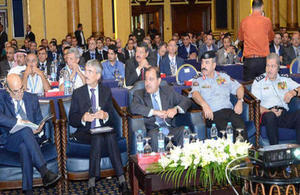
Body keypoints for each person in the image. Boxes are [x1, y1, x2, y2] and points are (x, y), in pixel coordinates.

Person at [68, 60, 130, 195]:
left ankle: (115, 181)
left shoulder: (105, 91)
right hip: (85, 133)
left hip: (103, 130)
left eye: (90, 71)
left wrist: (105, 115)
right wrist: (83, 118)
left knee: (109, 135)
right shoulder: (78, 93)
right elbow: (71, 119)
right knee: (100, 137)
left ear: (98, 76)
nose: (86, 74)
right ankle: (116, 180)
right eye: (85, 71)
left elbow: (113, 119)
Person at [0, 74, 60, 195]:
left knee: (24, 146)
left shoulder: (31, 98)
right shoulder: (2, 98)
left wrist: (39, 129)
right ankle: (44, 171)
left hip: (31, 140)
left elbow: (38, 120)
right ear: (8, 89)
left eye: (22, 88)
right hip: (11, 142)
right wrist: (20, 122)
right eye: (16, 91)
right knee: (25, 129)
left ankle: (28, 191)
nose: (20, 93)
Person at [130, 66, 191, 151]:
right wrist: (155, 112)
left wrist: (176, 109)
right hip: (153, 130)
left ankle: (181, 161)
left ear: (158, 81)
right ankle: (159, 163)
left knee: (184, 131)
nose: (147, 83)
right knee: (157, 135)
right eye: (146, 79)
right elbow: (134, 107)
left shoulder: (168, 91)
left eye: (151, 79)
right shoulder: (139, 94)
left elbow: (186, 101)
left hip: (170, 129)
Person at [190, 51, 246, 141]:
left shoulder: (224, 76)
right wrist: (204, 105)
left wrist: (240, 101)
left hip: (229, 111)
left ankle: (244, 152)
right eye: (202, 62)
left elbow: (239, 87)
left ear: (214, 65)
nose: (203, 66)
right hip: (213, 114)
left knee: (241, 127)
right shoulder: (198, 80)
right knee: (227, 131)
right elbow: (195, 94)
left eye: (207, 63)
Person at [251, 53, 300, 145]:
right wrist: (268, 111)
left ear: (278, 68)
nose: (269, 69)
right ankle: (275, 150)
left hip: (283, 114)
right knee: (270, 116)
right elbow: (255, 104)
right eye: (268, 66)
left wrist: (293, 92)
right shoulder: (258, 82)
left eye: (273, 66)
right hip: (266, 114)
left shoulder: (284, 79)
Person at [238, 0, 274, 81]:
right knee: (264, 87)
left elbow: (240, 38)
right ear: (262, 7)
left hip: (249, 60)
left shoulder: (244, 21)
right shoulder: (267, 21)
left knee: (248, 87)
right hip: (263, 61)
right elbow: (271, 37)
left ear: (252, 8)